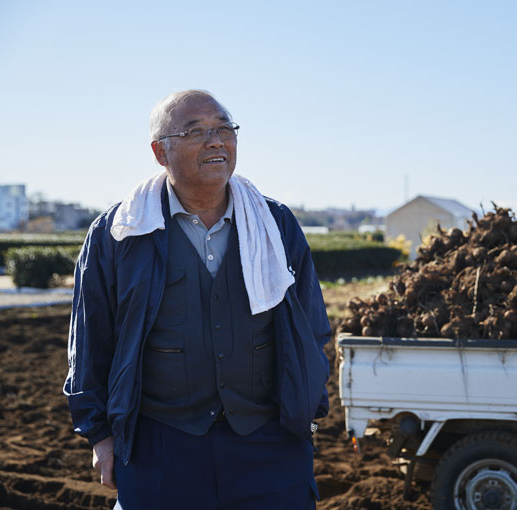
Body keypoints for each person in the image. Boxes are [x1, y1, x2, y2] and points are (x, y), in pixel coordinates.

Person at [63, 89, 331, 509]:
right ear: (160, 152)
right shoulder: (118, 234)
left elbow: (310, 327)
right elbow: (90, 340)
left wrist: (306, 414)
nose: (216, 140)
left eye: (225, 128)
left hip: (268, 442)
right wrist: (100, 435)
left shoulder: (274, 224)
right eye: (196, 131)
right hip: (160, 445)